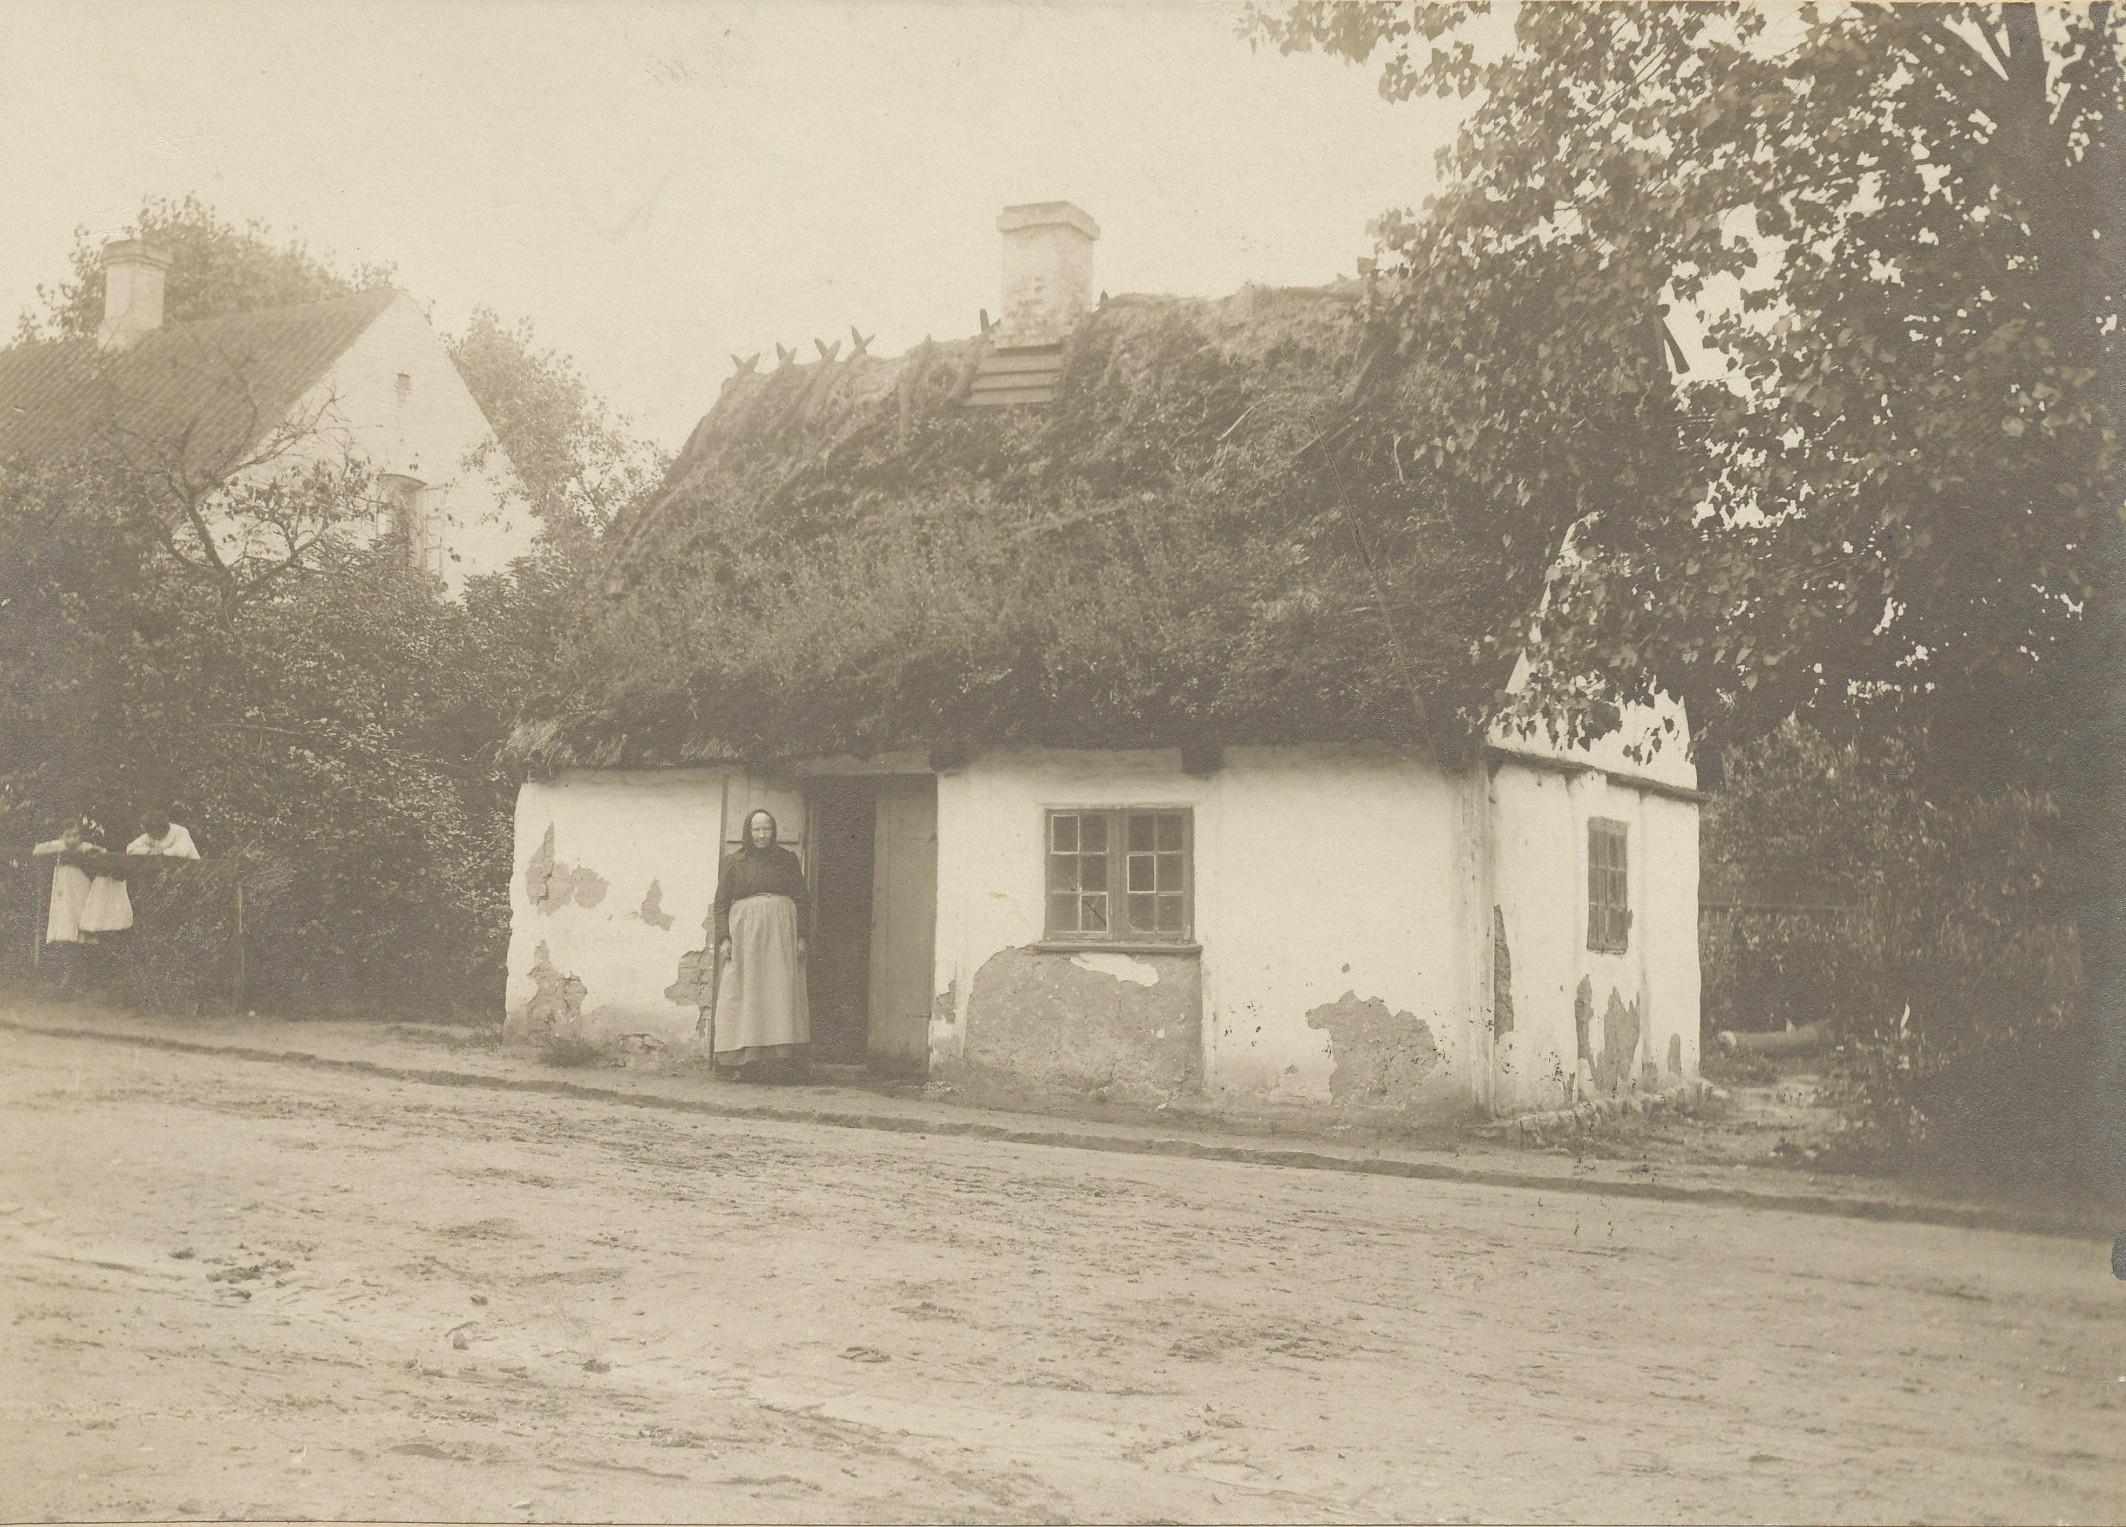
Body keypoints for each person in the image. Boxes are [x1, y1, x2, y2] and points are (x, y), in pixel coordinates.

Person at [711, 808, 810, 1081]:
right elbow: (720, 904)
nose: (762, 835)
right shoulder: (734, 862)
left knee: (779, 991)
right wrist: (724, 938)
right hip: (746, 937)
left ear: (773, 831)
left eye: (766, 829)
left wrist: (802, 936)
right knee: (746, 990)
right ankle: (743, 1058)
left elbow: (802, 899)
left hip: (781, 935)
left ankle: (781, 1059)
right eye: (756, 829)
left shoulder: (787, 861)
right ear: (748, 832)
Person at [129, 810, 200, 860]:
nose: (148, 834)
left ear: (157, 829)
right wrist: (148, 851)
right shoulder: (149, 836)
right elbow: (130, 848)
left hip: (192, 871)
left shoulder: (180, 831)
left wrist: (161, 853)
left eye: (149, 832)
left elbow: (181, 851)